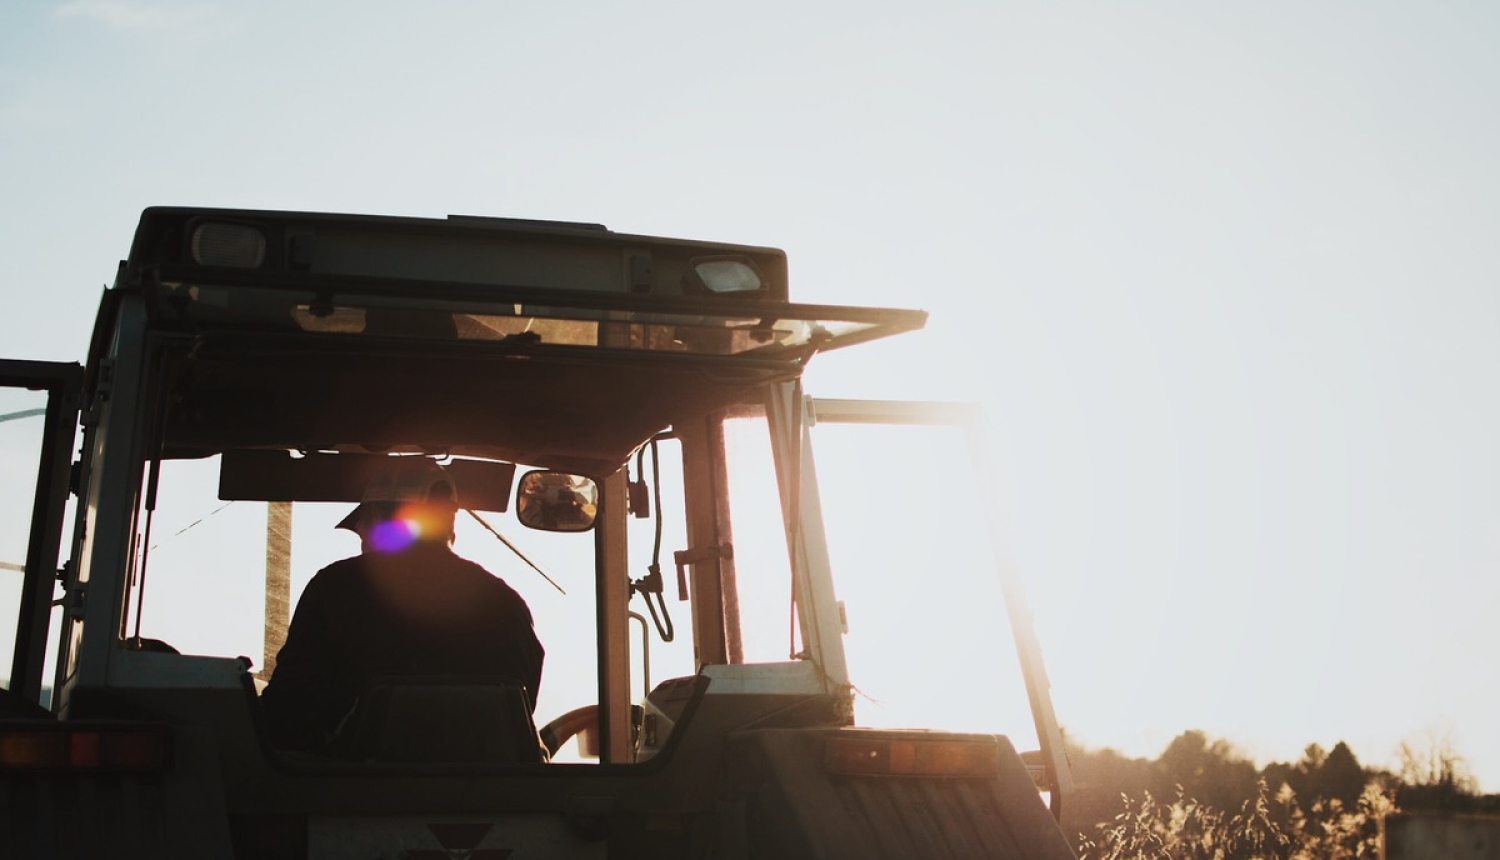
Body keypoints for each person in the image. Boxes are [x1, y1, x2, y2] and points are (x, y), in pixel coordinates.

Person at [259, 457, 544, 753]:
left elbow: (287, 712)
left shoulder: (334, 589)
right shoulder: (505, 603)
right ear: (450, 522)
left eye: (361, 525)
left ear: (375, 515)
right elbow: (520, 712)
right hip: (489, 794)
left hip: (351, 792)